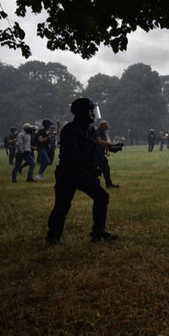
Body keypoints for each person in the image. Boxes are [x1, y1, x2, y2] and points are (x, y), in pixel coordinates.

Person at [46, 98, 117, 244]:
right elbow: (73, 154)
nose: (93, 114)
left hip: (84, 173)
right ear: (83, 112)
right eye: (91, 111)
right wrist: (92, 168)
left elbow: (91, 149)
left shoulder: (89, 130)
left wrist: (110, 149)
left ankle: (98, 232)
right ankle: (53, 237)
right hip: (69, 173)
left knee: (102, 197)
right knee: (62, 206)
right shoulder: (70, 130)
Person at [94, 120, 120, 188]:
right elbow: (99, 142)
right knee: (96, 170)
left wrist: (115, 147)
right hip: (96, 154)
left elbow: (106, 144)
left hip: (101, 154)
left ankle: (109, 184)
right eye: (106, 127)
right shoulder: (97, 132)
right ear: (102, 126)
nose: (106, 129)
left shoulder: (103, 133)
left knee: (106, 169)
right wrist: (109, 144)